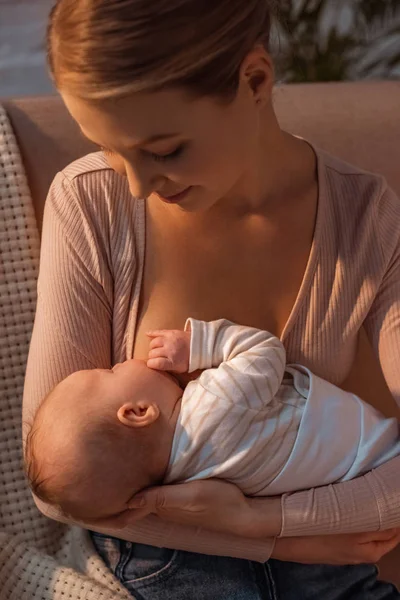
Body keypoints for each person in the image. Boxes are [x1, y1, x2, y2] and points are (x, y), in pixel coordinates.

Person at [22, 0, 400, 598]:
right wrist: (281, 540)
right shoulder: (91, 202)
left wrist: (261, 521)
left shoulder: (367, 219)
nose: (139, 185)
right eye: (110, 149)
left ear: (255, 80)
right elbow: (60, 489)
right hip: (158, 570)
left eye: (164, 151)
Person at [25, 318, 400, 529]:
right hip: (371, 446)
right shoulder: (214, 404)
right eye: (110, 372)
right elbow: (265, 353)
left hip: (353, 473)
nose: (120, 362)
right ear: (139, 412)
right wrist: (200, 346)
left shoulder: (183, 481)